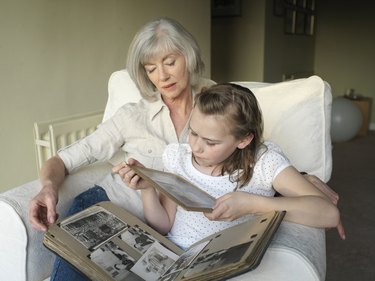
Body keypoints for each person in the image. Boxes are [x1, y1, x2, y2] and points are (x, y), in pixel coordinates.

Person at [28, 16, 343, 280]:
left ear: (188, 58)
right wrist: (47, 187)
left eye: (169, 62)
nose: (161, 76)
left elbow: (245, 148)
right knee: (75, 249)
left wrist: (299, 177)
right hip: (116, 205)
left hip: (167, 232)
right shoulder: (132, 117)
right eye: (150, 68)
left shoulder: (214, 102)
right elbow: (64, 159)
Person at [122, 83, 340, 250]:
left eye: (211, 142)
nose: (196, 147)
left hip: (221, 262)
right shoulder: (178, 158)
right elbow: (163, 225)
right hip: (175, 254)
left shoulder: (263, 162)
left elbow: (328, 214)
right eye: (193, 133)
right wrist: (148, 190)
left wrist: (252, 204)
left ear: (243, 140)